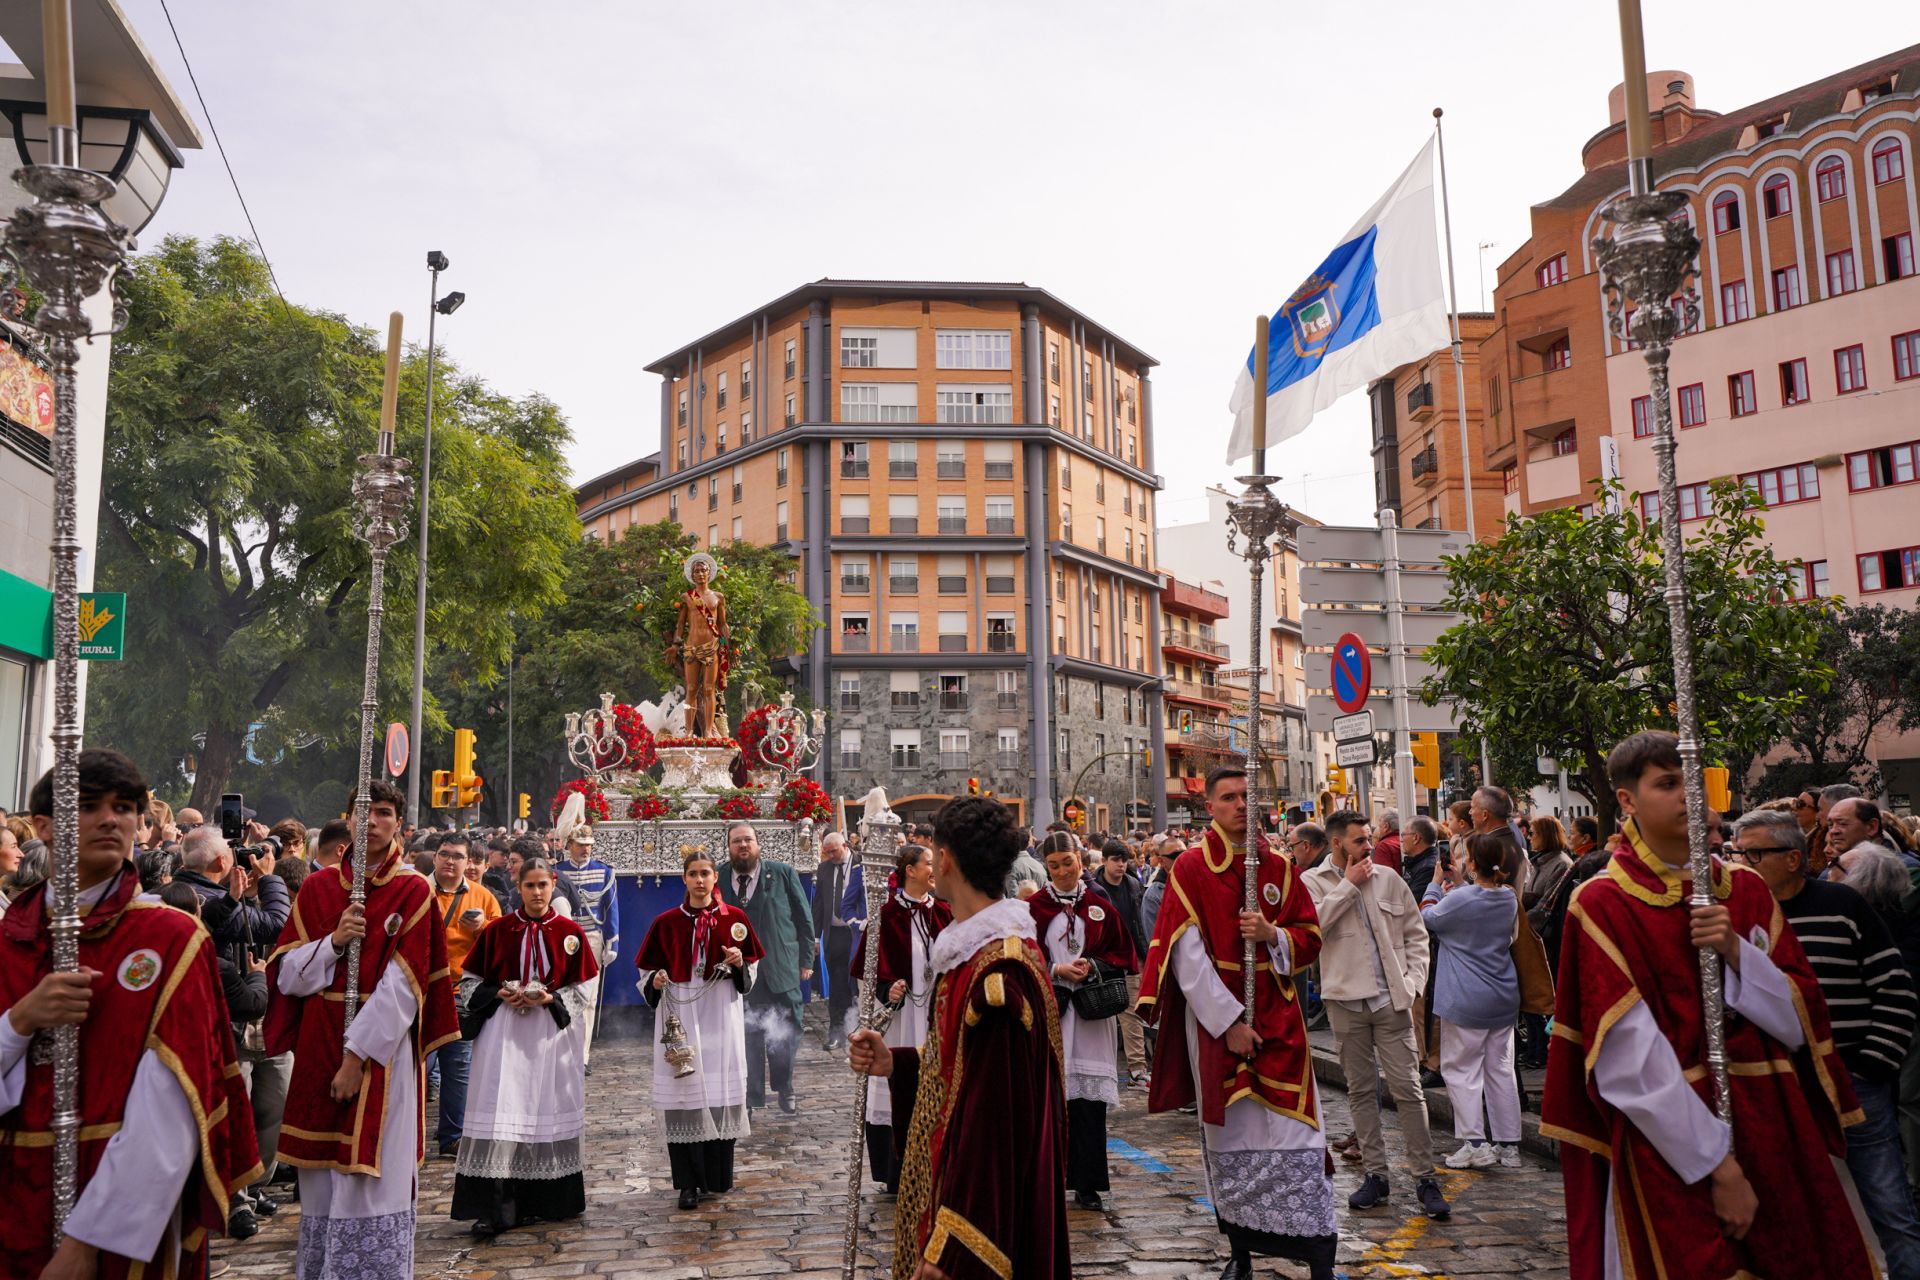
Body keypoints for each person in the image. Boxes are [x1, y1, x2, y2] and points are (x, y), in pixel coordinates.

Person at [1542, 732, 1877, 1280]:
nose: (1687, 797)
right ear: (1627, 801)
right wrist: (1718, 1167)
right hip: (1671, 1141)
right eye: (1668, 784)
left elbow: (1800, 1022)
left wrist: (1736, 952)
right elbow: (1630, 1061)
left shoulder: (1743, 889)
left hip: (1772, 1123)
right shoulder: (1603, 902)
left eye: (1693, 782)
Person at [1, 749, 262, 1278]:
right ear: (45, 826)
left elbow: (170, 1109)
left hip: (125, 1214)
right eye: (89, 805)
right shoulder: (11, 937)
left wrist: (85, 1242)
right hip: (14, 1194)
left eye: (124, 807)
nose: (110, 819)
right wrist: (19, 1022)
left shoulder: (169, 938)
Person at [848, 796, 1069, 1278]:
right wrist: (898, 1063)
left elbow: (993, 1123)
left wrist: (954, 1248)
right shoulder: (975, 954)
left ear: (945, 859)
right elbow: (962, 1065)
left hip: (979, 1227)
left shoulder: (999, 976)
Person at [1138, 767, 1337, 1280]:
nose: (1240, 805)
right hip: (1217, 1024)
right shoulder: (1190, 869)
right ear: (1210, 807)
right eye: (1228, 797)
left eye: (1248, 796)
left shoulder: (1280, 869)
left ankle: (1316, 1250)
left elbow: (1309, 937)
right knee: (1232, 1139)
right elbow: (1185, 956)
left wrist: (1273, 934)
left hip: (1281, 1020)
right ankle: (1241, 1250)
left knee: (1297, 1134)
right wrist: (1228, 1023)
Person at [265, 780, 461, 1279]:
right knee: (321, 1185)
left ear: (400, 824)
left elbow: (404, 987)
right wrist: (332, 942)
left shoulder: (413, 890)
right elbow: (287, 975)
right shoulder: (316, 887)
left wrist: (357, 1059)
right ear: (347, 818)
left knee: (372, 1182)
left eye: (383, 813)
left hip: (382, 1059)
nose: (371, 821)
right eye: (361, 812)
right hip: (317, 1043)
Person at [1731, 808, 1920, 1279]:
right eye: (1739, 853)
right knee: (1797, 1213)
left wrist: (1874, 1064)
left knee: (1890, 1209)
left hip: (1856, 1085)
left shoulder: (1842, 905)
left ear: (1793, 858)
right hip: (1781, 1090)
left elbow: (1894, 986)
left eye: (1755, 853)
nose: (1744, 863)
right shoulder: (1737, 919)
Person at [1302, 810, 1447, 1218]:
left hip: (1391, 1001)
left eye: (1369, 838)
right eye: (1358, 840)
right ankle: (1376, 1175)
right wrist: (1348, 887)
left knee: (1409, 1090)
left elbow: (1416, 934)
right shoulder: (1312, 883)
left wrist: (1413, 982)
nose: (1368, 846)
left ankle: (1425, 1178)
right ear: (1336, 844)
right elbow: (1311, 929)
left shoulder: (1389, 878)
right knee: (1362, 1091)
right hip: (1345, 1002)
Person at [452, 857, 600, 1237]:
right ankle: (497, 1206)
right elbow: (469, 983)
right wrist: (498, 992)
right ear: (519, 887)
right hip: (504, 1035)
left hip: (551, 1036)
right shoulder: (498, 930)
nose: (537, 892)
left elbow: (585, 988)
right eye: (529, 885)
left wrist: (550, 999)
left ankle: (549, 1200)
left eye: (543, 885)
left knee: (545, 1108)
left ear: (553, 885)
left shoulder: (570, 932)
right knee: (502, 1109)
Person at [637, 851, 763, 1209]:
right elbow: (646, 974)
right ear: (684, 879)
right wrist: (656, 979)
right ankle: (688, 1183)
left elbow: (750, 974)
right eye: (692, 874)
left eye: (705, 873)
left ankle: (718, 1177)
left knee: (719, 1090)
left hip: (721, 1011)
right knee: (685, 1094)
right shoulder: (665, 923)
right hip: (680, 1010)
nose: (699, 880)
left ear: (714, 878)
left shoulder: (735, 919)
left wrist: (739, 964)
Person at [1030, 831, 1137, 1210]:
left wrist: (1092, 964)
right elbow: (1019, 957)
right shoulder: (1034, 909)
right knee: (1050, 1101)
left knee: (1087, 1108)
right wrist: (1056, 967)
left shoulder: (1099, 905)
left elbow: (1124, 955)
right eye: (1054, 865)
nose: (1061, 871)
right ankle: (1048, 1179)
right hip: (1052, 1014)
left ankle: (1088, 1183)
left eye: (1068, 863)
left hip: (1091, 1018)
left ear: (1081, 861)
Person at [849, 841, 950, 1192]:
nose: (933, 869)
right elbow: (868, 972)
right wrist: (887, 989)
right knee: (896, 1084)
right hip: (900, 1018)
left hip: (934, 1015)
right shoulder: (884, 916)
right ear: (910, 870)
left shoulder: (944, 912)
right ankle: (897, 1170)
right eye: (927, 863)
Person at [1421, 832, 1526, 1170]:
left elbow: (1428, 918)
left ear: (1471, 863)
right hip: (1502, 995)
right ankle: (1509, 1146)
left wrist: (1436, 885)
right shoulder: (1508, 897)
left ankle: (1474, 1141)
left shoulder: (1461, 899)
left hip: (1466, 997)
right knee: (1500, 1070)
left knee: (1461, 1070)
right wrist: (1460, 882)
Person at [722, 821, 815, 1114]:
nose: (743, 845)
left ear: (758, 844)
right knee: (747, 1036)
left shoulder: (783, 873)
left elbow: (804, 919)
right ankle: (750, 1097)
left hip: (781, 968)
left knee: (786, 1033)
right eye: (737, 841)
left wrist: (806, 961)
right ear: (729, 847)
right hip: (741, 973)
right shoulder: (720, 877)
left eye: (748, 840)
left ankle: (785, 1085)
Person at [429, 832, 502, 1162]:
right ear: (434, 858)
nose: (451, 860)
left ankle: (452, 1136)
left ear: (467, 861)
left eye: (458, 856)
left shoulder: (482, 896)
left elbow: (502, 945)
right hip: (421, 993)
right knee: (416, 1069)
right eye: (445, 854)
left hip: (460, 993)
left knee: (458, 1068)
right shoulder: (418, 892)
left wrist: (481, 928)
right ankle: (407, 1136)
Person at [553, 795, 619, 1068]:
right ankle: (559, 1052)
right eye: (581, 845)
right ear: (569, 845)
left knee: (588, 999)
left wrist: (611, 942)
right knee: (560, 994)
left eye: (589, 845)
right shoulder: (557, 870)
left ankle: (582, 1057)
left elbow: (611, 908)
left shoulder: (604, 872)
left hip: (591, 938)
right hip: (561, 939)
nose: (586, 850)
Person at [1092, 837, 1151, 1085]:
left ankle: (1137, 1068)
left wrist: (1144, 954)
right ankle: (1098, 1067)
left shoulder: (1134, 885)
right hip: (1103, 958)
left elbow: (1139, 923)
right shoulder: (1093, 888)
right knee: (1100, 1013)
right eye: (1116, 860)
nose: (1121, 865)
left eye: (1124, 860)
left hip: (1131, 957)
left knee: (1131, 1012)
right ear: (1104, 861)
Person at [812, 830, 858, 1051]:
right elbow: (819, 904)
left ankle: (857, 1027)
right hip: (834, 933)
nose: (831, 856)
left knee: (856, 983)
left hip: (857, 933)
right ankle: (837, 1030)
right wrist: (815, 937)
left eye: (834, 851)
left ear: (845, 846)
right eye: (827, 852)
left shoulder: (860, 864)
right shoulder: (824, 868)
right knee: (837, 984)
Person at [1372, 809, 1403, 874]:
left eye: (1379, 824)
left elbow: (1382, 876)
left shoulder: (1384, 846)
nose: (1378, 827)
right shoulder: (1405, 841)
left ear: (1386, 826)